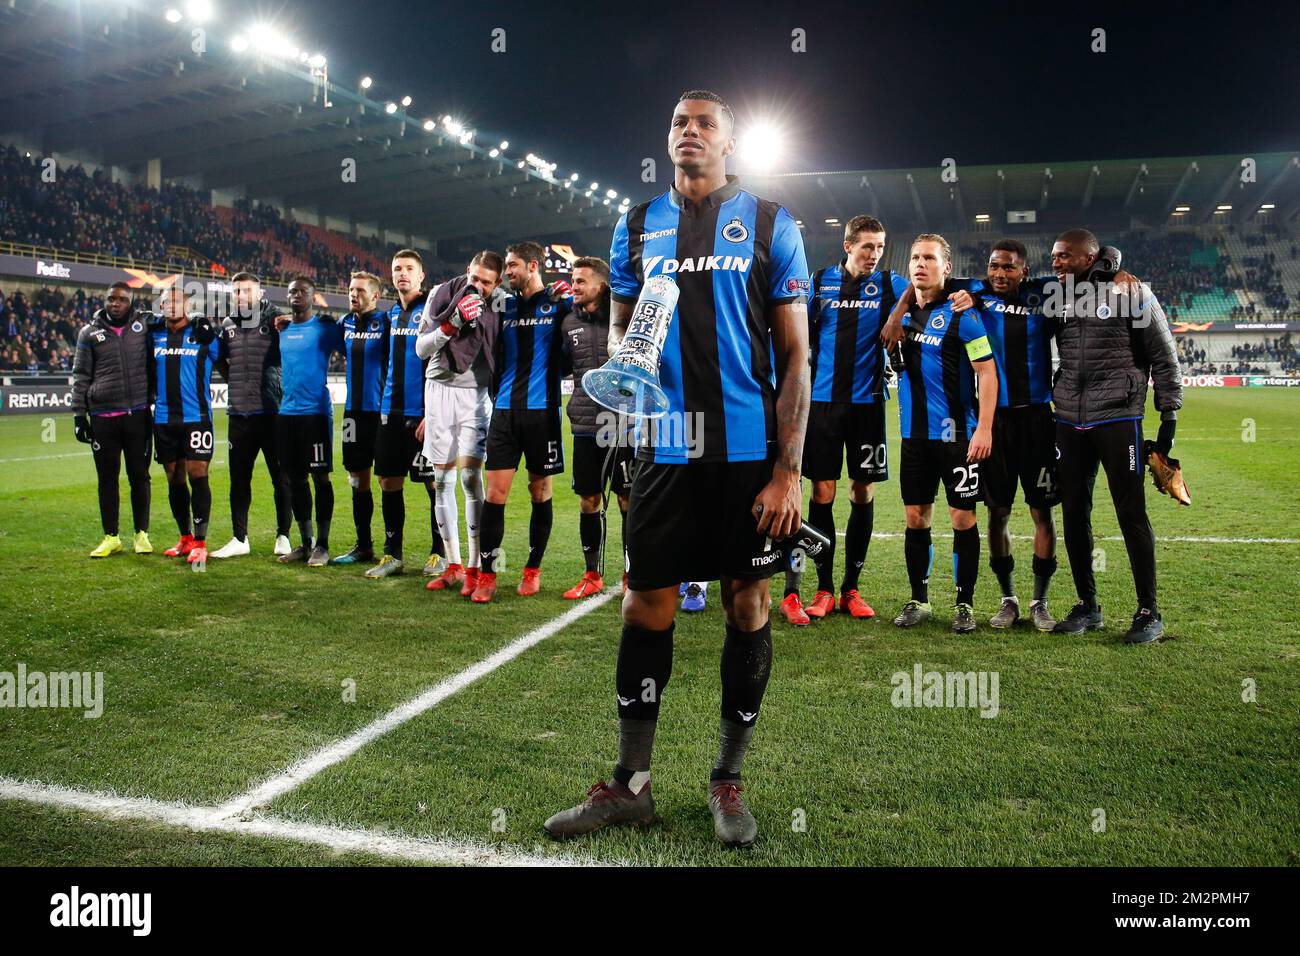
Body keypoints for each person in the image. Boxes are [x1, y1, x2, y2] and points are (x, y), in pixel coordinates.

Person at [544, 90, 809, 849]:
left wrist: (787, 472)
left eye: (705, 125)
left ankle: (728, 780)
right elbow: (627, 332)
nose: (689, 133)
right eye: (678, 123)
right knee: (643, 606)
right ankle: (631, 788)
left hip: (747, 450)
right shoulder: (636, 225)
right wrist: (626, 401)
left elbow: (796, 355)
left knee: (746, 604)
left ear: (729, 143)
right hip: (663, 446)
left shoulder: (768, 222)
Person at [1048, 229, 1182, 644]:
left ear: (1089, 257)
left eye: (1064, 257)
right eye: (1054, 257)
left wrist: (1168, 417)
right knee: (1074, 513)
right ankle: (1088, 606)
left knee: (1131, 512)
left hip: (1118, 417)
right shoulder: (1058, 295)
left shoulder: (1132, 291)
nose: (1055, 263)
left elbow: (1164, 353)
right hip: (1069, 418)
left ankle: (1148, 611)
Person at [782, 215, 909, 625]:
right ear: (848, 244)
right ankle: (822, 588)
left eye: (880, 246)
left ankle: (851, 588)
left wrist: (895, 316)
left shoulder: (891, 286)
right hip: (821, 403)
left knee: (862, 490)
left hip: (868, 404)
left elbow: (930, 291)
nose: (874, 254)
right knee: (822, 491)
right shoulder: (820, 282)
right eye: (867, 246)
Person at [891, 235, 999, 634]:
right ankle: (918, 598)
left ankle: (964, 603)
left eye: (930, 258)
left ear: (946, 268)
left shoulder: (963, 314)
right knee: (916, 517)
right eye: (915, 257)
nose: (920, 264)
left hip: (957, 436)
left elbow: (987, 372)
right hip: (913, 436)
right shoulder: (899, 316)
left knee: (961, 517)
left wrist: (984, 428)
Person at [471, 241, 572, 603]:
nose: (507, 272)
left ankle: (533, 569)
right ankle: (486, 574)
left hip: (542, 411)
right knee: (495, 493)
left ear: (532, 266)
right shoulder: (503, 305)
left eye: (512, 266)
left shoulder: (559, 304)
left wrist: (572, 288)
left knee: (539, 490)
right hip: (504, 413)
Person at [416, 251, 504, 596]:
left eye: (486, 282)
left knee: (471, 478)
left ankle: (475, 567)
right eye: (474, 278)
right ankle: (452, 564)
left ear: (497, 284)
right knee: (441, 481)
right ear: (467, 270)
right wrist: (450, 326)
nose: (477, 287)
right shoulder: (441, 295)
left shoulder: (501, 306)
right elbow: (421, 349)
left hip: (475, 398)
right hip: (438, 392)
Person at [365, 250, 442, 579]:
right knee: (387, 482)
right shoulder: (388, 316)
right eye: (397, 269)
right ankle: (392, 554)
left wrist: (433, 411)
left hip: (424, 415)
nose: (403, 274)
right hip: (390, 413)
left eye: (409, 269)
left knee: (434, 486)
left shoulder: (433, 311)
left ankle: (440, 552)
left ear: (421, 275)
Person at [561, 256, 632, 599]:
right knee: (588, 501)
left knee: (627, 500)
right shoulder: (568, 323)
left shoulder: (625, 319)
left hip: (623, 426)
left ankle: (632, 573)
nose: (574, 287)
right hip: (585, 428)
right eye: (573, 281)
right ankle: (592, 574)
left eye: (580, 281)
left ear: (602, 287)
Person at [210, 273, 293, 559]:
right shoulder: (228, 323)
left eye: (246, 290)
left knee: (280, 477)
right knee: (238, 480)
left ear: (259, 293)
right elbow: (218, 356)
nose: (241, 295)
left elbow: (293, 350)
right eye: (237, 291)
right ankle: (239, 538)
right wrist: (232, 377)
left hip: (271, 411)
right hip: (239, 414)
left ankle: (283, 535)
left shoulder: (276, 319)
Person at [71, 281, 154, 557]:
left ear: (131, 301)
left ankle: (141, 534)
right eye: (110, 299)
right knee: (107, 479)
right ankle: (111, 536)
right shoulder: (89, 333)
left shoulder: (144, 327)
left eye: (121, 299)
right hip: (103, 418)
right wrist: (79, 416)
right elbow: (81, 375)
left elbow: (174, 319)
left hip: (138, 415)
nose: (115, 304)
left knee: (139, 476)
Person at [150, 285, 222, 565]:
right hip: (164, 419)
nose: (170, 305)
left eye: (177, 301)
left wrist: (209, 323)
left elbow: (226, 358)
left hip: (197, 418)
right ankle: (185, 538)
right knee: (174, 476)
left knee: (197, 472)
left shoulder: (204, 335)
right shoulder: (154, 334)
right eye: (166, 301)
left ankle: (201, 542)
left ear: (187, 306)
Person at [274, 276, 344, 566]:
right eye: (292, 292)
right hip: (286, 414)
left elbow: (351, 343)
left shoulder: (324, 329)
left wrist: (337, 323)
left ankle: (323, 545)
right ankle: (305, 542)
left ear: (313, 297)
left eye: (302, 292)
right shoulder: (282, 329)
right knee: (295, 479)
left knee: (320, 477)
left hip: (315, 414)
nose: (296, 296)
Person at [332, 271, 388, 565]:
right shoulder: (345, 324)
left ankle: (394, 549)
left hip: (381, 413)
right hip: (353, 414)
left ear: (375, 296)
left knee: (387, 479)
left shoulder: (387, 324)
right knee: (357, 478)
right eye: (351, 289)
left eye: (360, 290)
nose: (353, 294)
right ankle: (364, 545)